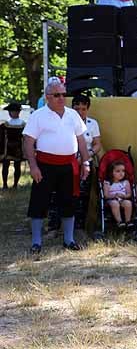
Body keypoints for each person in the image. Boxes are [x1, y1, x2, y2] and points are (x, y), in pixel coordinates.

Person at [22, 78, 90, 253]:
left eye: (63, 94)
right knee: (39, 202)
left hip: (69, 164)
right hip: (45, 164)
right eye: (56, 95)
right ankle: (36, 242)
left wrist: (86, 162)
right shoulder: (38, 115)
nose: (61, 98)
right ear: (47, 97)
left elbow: (81, 140)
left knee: (69, 201)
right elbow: (28, 142)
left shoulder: (72, 114)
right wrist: (33, 166)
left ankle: (69, 240)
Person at [69, 94, 101, 230]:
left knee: (83, 194)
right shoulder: (66, 122)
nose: (80, 112)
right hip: (68, 160)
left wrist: (87, 156)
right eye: (77, 109)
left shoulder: (92, 124)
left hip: (86, 161)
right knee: (63, 193)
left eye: (83, 109)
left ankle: (80, 225)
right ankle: (55, 226)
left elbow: (97, 144)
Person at [102, 161, 133, 229]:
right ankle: (119, 221)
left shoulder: (125, 182)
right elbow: (106, 195)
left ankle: (128, 221)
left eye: (123, 171)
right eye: (118, 171)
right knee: (114, 203)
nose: (121, 173)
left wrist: (124, 196)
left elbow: (129, 194)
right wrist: (114, 196)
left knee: (128, 203)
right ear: (111, 172)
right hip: (112, 199)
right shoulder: (107, 183)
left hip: (122, 199)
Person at [2, 102, 26, 189]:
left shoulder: (23, 124)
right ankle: (5, 184)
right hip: (7, 148)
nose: (11, 113)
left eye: (12, 111)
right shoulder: (5, 124)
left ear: (18, 112)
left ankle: (15, 184)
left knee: (17, 166)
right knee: (5, 165)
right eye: (11, 111)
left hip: (18, 148)